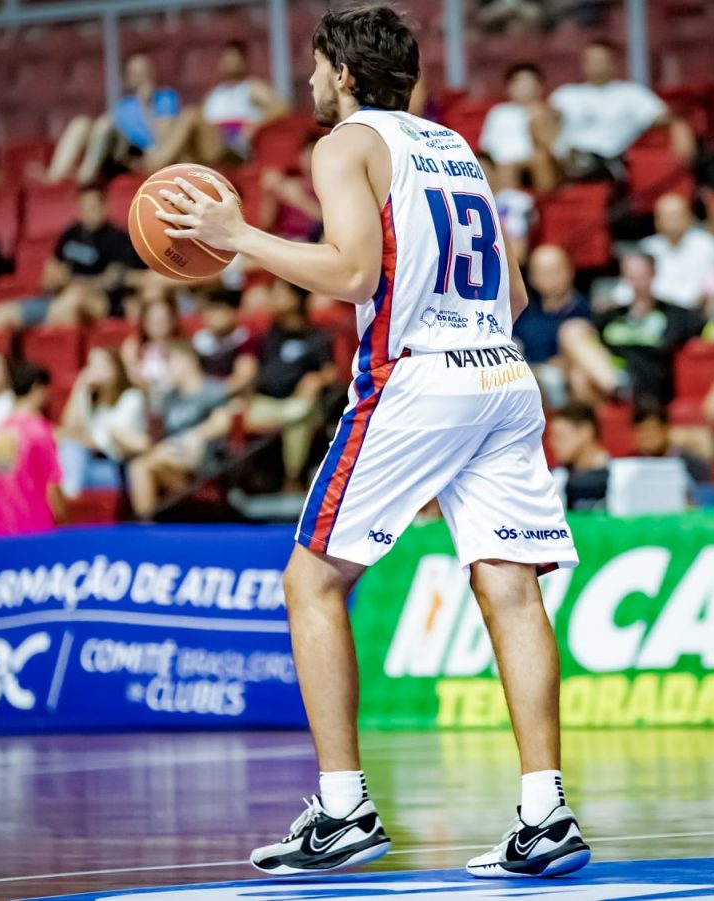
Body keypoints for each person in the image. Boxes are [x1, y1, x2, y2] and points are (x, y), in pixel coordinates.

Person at [155, 5, 590, 878]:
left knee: (310, 580)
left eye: (319, 66)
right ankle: (546, 813)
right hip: (503, 374)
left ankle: (343, 807)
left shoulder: (346, 143)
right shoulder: (455, 147)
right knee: (511, 588)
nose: (312, 81)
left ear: (345, 73)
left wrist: (240, 239)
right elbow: (512, 294)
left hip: (419, 376)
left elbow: (354, 273)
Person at [0, 186, 137, 331]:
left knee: (74, 297)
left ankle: (46, 338)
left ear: (105, 208)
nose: (88, 213)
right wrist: (52, 279)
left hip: (94, 303)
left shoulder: (118, 239)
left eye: (93, 207)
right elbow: (51, 273)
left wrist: (72, 282)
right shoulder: (70, 234)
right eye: (84, 208)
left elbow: (111, 282)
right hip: (57, 299)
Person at [540, 40, 694, 183]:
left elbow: (665, 117)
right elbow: (542, 119)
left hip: (608, 160)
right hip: (563, 158)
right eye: (590, 60)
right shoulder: (567, 93)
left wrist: (679, 126)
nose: (595, 65)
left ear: (613, 63)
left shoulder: (632, 93)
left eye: (600, 60)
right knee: (540, 150)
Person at [560, 252, 703, 405]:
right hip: (612, 374)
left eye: (641, 275)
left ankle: (619, 393)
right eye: (631, 276)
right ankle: (618, 388)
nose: (637, 283)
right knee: (573, 339)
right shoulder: (613, 315)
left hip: (647, 380)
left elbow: (710, 330)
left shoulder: (674, 314)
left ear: (653, 273)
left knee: (579, 376)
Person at [242, 280, 337, 493]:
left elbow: (331, 372)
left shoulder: (316, 336)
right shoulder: (269, 334)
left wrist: (316, 378)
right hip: (267, 403)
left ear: (295, 298)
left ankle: (292, 479)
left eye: (278, 294)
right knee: (290, 418)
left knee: (299, 418)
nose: (272, 300)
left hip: (302, 404)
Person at [43, 53, 191, 186]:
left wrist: (145, 105)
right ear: (129, 78)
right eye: (136, 73)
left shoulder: (166, 98)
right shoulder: (124, 105)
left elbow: (161, 142)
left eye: (145, 71)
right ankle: (54, 177)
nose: (142, 77)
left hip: (137, 153)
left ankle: (86, 176)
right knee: (81, 124)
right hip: (113, 149)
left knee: (104, 125)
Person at [128, 341, 233, 519]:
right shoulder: (171, 397)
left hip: (201, 459)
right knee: (139, 466)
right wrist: (154, 394)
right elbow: (157, 434)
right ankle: (145, 526)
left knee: (149, 461)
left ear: (188, 360)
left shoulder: (210, 389)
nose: (167, 369)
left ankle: (146, 528)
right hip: (170, 457)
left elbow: (225, 419)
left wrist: (198, 435)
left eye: (170, 362)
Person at [0, 362, 65, 535]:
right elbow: (51, 488)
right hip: (36, 530)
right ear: (37, 388)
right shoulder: (39, 432)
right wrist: (65, 523)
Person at [58, 347, 148, 498]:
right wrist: (80, 386)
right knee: (68, 451)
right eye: (91, 365)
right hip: (89, 465)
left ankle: (66, 497)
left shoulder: (131, 397)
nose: (93, 370)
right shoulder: (91, 399)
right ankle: (67, 494)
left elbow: (109, 443)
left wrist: (83, 440)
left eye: (99, 365)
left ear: (115, 369)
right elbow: (70, 426)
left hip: (119, 468)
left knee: (71, 453)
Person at [200, 41, 289, 162]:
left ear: (244, 62)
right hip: (210, 142)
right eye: (226, 59)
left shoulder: (252, 88)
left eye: (234, 58)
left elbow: (281, 107)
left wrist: (255, 125)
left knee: (189, 118)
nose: (229, 62)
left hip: (234, 146)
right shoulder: (214, 94)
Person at [636, 194, 714, 310]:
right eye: (667, 216)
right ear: (656, 221)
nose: (672, 221)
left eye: (677, 215)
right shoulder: (647, 248)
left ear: (689, 217)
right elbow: (630, 288)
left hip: (696, 311)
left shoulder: (707, 245)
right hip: (655, 311)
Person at [478, 63, 557, 192]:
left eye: (529, 82)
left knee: (540, 158)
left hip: (538, 162)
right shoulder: (499, 112)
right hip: (505, 162)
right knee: (504, 167)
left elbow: (553, 146)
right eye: (520, 83)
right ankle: (510, 202)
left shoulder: (548, 111)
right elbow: (488, 146)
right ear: (509, 88)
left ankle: (548, 202)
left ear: (540, 87)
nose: (525, 88)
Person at [121, 293, 183, 408]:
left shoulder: (182, 348)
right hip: (144, 403)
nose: (159, 325)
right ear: (144, 321)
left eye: (163, 320)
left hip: (175, 402)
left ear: (172, 320)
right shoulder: (133, 347)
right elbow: (131, 379)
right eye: (153, 320)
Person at [193, 289, 260, 394]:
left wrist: (217, 393)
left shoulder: (244, 340)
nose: (212, 316)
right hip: (204, 392)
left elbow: (244, 377)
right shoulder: (200, 340)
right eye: (208, 311)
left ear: (232, 312)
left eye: (217, 310)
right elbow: (192, 376)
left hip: (232, 394)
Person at [630, 398, 711, 483]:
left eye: (651, 430)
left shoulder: (691, 463)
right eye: (641, 432)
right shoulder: (632, 464)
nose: (647, 437)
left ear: (666, 429)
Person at [260, 134, 323, 243]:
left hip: (312, 242)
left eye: (313, 154)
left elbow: (326, 219)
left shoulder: (325, 189)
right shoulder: (287, 183)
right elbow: (266, 224)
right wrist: (268, 195)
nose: (309, 160)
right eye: (306, 154)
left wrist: (299, 200)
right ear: (300, 156)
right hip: (283, 240)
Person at [546, 402, 610, 509]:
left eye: (559, 437)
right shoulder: (556, 478)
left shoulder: (616, 476)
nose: (551, 443)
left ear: (585, 432)